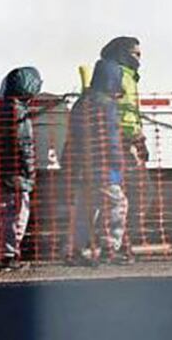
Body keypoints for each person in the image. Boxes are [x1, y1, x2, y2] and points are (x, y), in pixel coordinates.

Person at [65, 46, 131, 266]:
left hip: (82, 167)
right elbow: (111, 137)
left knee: (86, 208)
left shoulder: (81, 102)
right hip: (104, 167)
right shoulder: (107, 106)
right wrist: (118, 162)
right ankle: (110, 247)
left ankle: (74, 249)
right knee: (117, 204)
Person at [0, 67, 42, 272]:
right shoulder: (19, 112)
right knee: (18, 214)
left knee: (7, 213)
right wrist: (30, 173)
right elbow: (24, 144)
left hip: (2, 171)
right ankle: (9, 256)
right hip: (17, 174)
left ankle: (7, 254)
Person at [101, 37, 147, 259]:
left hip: (128, 141)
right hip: (123, 141)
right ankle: (114, 243)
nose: (139, 58)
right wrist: (134, 139)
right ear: (122, 53)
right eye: (135, 53)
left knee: (121, 194)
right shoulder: (120, 74)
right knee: (123, 194)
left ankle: (117, 240)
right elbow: (122, 113)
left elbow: (132, 112)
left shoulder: (130, 76)